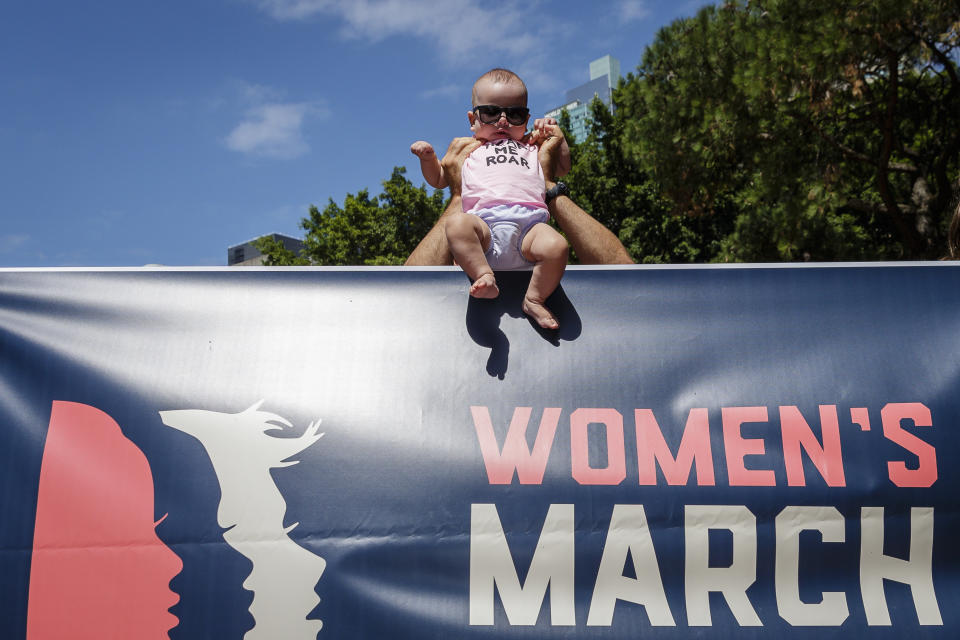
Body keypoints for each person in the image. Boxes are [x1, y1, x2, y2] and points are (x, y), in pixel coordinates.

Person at [409, 68, 571, 329]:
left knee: (557, 247)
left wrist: (556, 137)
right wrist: (428, 159)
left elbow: (562, 167)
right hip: (484, 229)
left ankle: (534, 298)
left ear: (527, 119)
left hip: (530, 228)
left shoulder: (532, 145)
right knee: (457, 225)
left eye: (515, 114)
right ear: (473, 119)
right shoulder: (468, 148)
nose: (503, 121)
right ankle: (484, 275)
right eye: (492, 113)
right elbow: (440, 178)